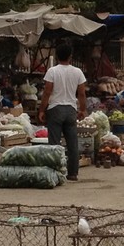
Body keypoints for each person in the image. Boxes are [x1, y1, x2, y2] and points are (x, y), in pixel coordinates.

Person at [38, 43, 87, 182]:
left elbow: (47, 92)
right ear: (70, 56)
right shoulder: (78, 72)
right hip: (71, 110)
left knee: (54, 144)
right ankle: (73, 173)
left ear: (57, 55)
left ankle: (55, 173)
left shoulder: (52, 71)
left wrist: (42, 110)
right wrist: (83, 109)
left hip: (55, 109)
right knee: (72, 144)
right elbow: (82, 93)